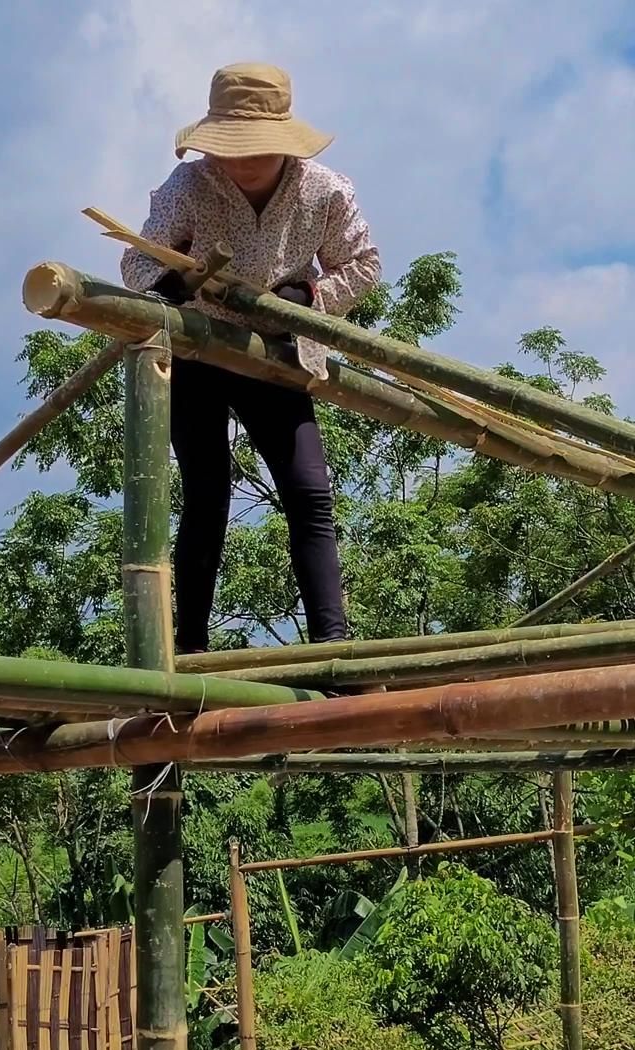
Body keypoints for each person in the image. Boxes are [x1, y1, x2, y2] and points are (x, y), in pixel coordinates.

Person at [121, 62, 381, 654]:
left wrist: (311, 295)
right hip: (201, 347)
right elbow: (136, 262)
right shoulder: (186, 188)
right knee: (207, 490)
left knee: (308, 490)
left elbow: (363, 265)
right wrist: (166, 283)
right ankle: (187, 647)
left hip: (278, 351)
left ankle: (332, 645)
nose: (240, 162)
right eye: (231, 148)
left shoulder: (326, 191)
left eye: (255, 149)